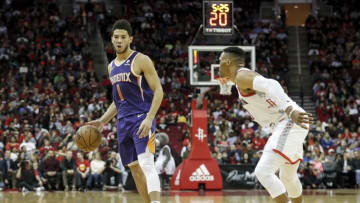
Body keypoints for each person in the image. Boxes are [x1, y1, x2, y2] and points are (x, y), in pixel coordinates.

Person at [219, 47, 314, 203]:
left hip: (289, 120)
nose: (218, 65)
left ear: (227, 61)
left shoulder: (241, 76)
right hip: (287, 123)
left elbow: (273, 85)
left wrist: (289, 110)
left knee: (263, 172)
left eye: (219, 61)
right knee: (287, 177)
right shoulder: (239, 79)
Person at [86, 19, 163, 203]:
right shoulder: (111, 67)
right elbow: (118, 102)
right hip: (123, 122)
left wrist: (149, 118)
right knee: (134, 168)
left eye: (122, 37)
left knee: (146, 164)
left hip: (141, 118)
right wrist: (102, 120)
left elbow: (159, 90)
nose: (119, 40)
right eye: (116, 37)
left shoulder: (141, 60)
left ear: (130, 39)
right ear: (111, 40)